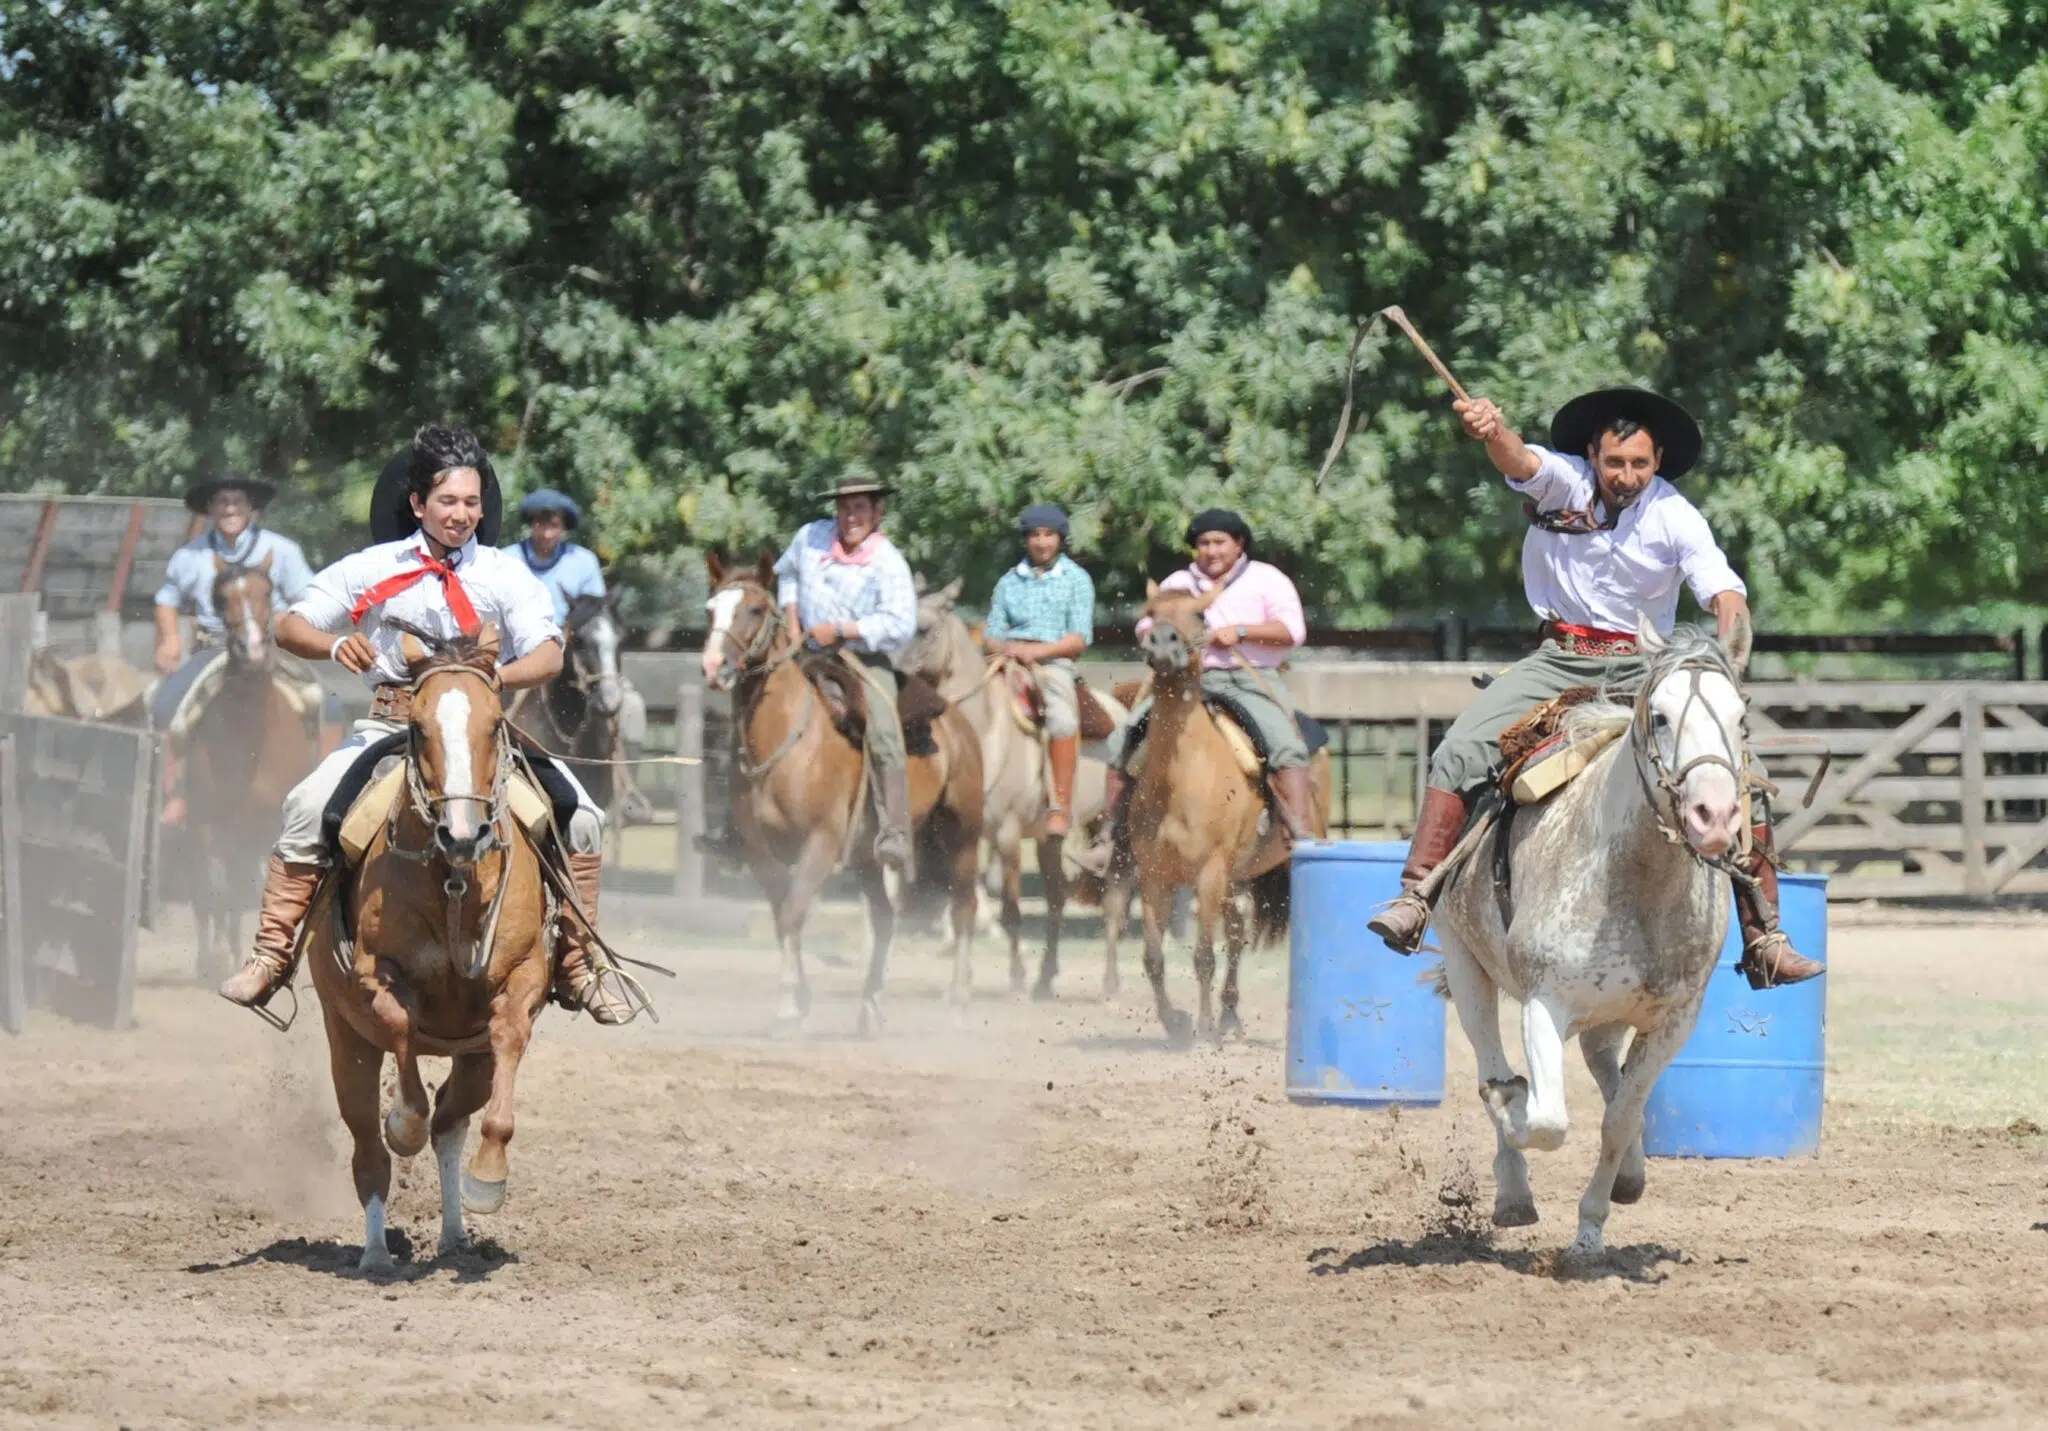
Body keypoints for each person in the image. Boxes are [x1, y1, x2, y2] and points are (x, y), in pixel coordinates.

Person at [1365, 386, 1825, 991]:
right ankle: (1418, 894)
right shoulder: (1563, 483)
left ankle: (1764, 937)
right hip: (1559, 659)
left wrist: (1727, 648)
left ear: (1657, 461)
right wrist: (1492, 430)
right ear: (1592, 456)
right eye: (1614, 463)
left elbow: (1722, 589)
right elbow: (1519, 461)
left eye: (1639, 464)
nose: (1626, 476)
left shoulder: (1677, 516)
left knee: (1744, 777)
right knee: (1461, 747)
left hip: (1643, 666)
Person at [216, 424, 630, 1023]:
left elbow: (548, 652)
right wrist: (334, 647)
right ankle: (272, 955)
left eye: (470, 502)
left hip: (484, 735)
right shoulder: (371, 566)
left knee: (584, 818)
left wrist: (495, 681)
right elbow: (289, 624)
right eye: (447, 502)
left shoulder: (505, 573)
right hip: (393, 728)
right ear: (418, 504)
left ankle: (577, 962)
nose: (460, 515)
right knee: (308, 806)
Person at [1075, 508, 1315, 874]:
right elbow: (1146, 624)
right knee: (1122, 740)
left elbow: (1293, 630)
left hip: (1247, 676)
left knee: (1286, 744)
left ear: (1239, 544)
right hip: (1181, 684)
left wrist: (1242, 632)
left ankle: (1300, 837)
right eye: (1203, 543)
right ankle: (1110, 838)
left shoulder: (1267, 579)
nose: (1211, 550)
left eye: (1220, 542)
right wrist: (1165, 635)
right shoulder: (1178, 581)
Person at [151, 474, 321, 824]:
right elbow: (167, 600)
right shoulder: (190, 555)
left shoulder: (283, 550)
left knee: (325, 700)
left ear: (250, 508)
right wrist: (169, 638)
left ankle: (325, 788)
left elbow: (310, 597)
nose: (230, 509)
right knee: (168, 701)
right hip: (213, 648)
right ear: (211, 509)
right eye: (222, 502)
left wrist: (287, 623)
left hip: (271, 646)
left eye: (237, 501)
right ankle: (177, 791)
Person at [771, 472, 918, 871]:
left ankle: (893, 830)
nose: (850, 516)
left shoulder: (888, 561)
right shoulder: (810, 537)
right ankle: (741, 819)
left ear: (877, 511)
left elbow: (900, 623)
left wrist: (841, 630)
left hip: (861, 659)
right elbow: (787, 573)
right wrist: (793, 622)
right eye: (844, 507)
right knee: (758, 701)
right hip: (806, 651)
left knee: (884, 726)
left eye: (859, 508)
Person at [504, 487, 647, 762]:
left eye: (553, 525)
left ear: (563, 527)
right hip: (517, 654)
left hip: (578, 655)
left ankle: (623, 779)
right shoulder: (507, 560)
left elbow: (597, 612)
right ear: (531, 524)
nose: (546, 533)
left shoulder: (583, 561)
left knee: (631, 707)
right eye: (540, 524)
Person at [983, 503, 1094, 835]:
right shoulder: (1008, 581)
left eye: (1048, 535)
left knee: (1062, 719)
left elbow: (1078, 638)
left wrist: (1038, 651)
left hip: (1053, 663)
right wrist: (1006, 648)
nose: (1042, 542)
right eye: (1035, 535)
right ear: (1026, 539)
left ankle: (1058, 805)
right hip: (1007, 659)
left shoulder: (1076, 579)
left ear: (1059, 538)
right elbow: (991, 633)